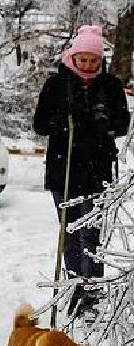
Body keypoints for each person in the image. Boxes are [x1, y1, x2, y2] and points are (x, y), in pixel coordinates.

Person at [32, 25, 130, 317]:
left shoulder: (110, 86)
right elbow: (40, 124)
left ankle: (93, 289)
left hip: (98, 170)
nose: (88, 66)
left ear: (101, 61)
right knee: (71, 232)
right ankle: (74, 288)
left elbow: (122, 124)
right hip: (64, 169)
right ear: (72, 57)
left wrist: (104, 122)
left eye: (94, 61)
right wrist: (64, 121)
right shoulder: (57, 85)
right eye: (83, 60)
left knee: (93, 234)